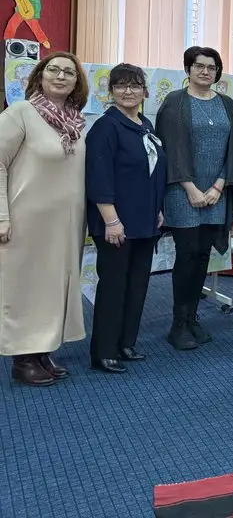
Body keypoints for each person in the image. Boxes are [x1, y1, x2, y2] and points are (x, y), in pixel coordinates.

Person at [0, 52, 88, 385]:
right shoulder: (20, 113)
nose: (61, 76)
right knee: (27, 287)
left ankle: (42, 350)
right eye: (54, 69)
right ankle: (22, 359)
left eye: (69, 72)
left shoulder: (76, 121)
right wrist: (2, 216)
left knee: (52, 288)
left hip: (65, 225)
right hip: (26, 221)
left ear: (77, 82)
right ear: (39, 75)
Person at [156, 46, 233, 351]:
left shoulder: (227, 104)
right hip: (183, 192)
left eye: (211, 67)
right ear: (188, 69)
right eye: (199, 66)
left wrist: (219, 186)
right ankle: (178, 324)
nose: (206, 71)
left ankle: (192, 317)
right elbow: (169, 148)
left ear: (217, 72)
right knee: (187, 255)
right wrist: (191, 188)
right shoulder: (175, 102)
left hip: (216, 193)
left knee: (203, 257)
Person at [85, 63, 167, 373]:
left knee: (137, 285)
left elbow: (153, 172)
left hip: (144, 221)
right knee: (114, 287)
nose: (128, 91)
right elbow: (98, 178)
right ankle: (104, 351)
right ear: (111, 91)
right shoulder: (106, 127)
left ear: (146, 92)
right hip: (116, 223)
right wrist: (111, 221)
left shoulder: (145, 124)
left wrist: (158, 209)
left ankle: (125, 343)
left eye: (134, 85)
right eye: (121, 85)